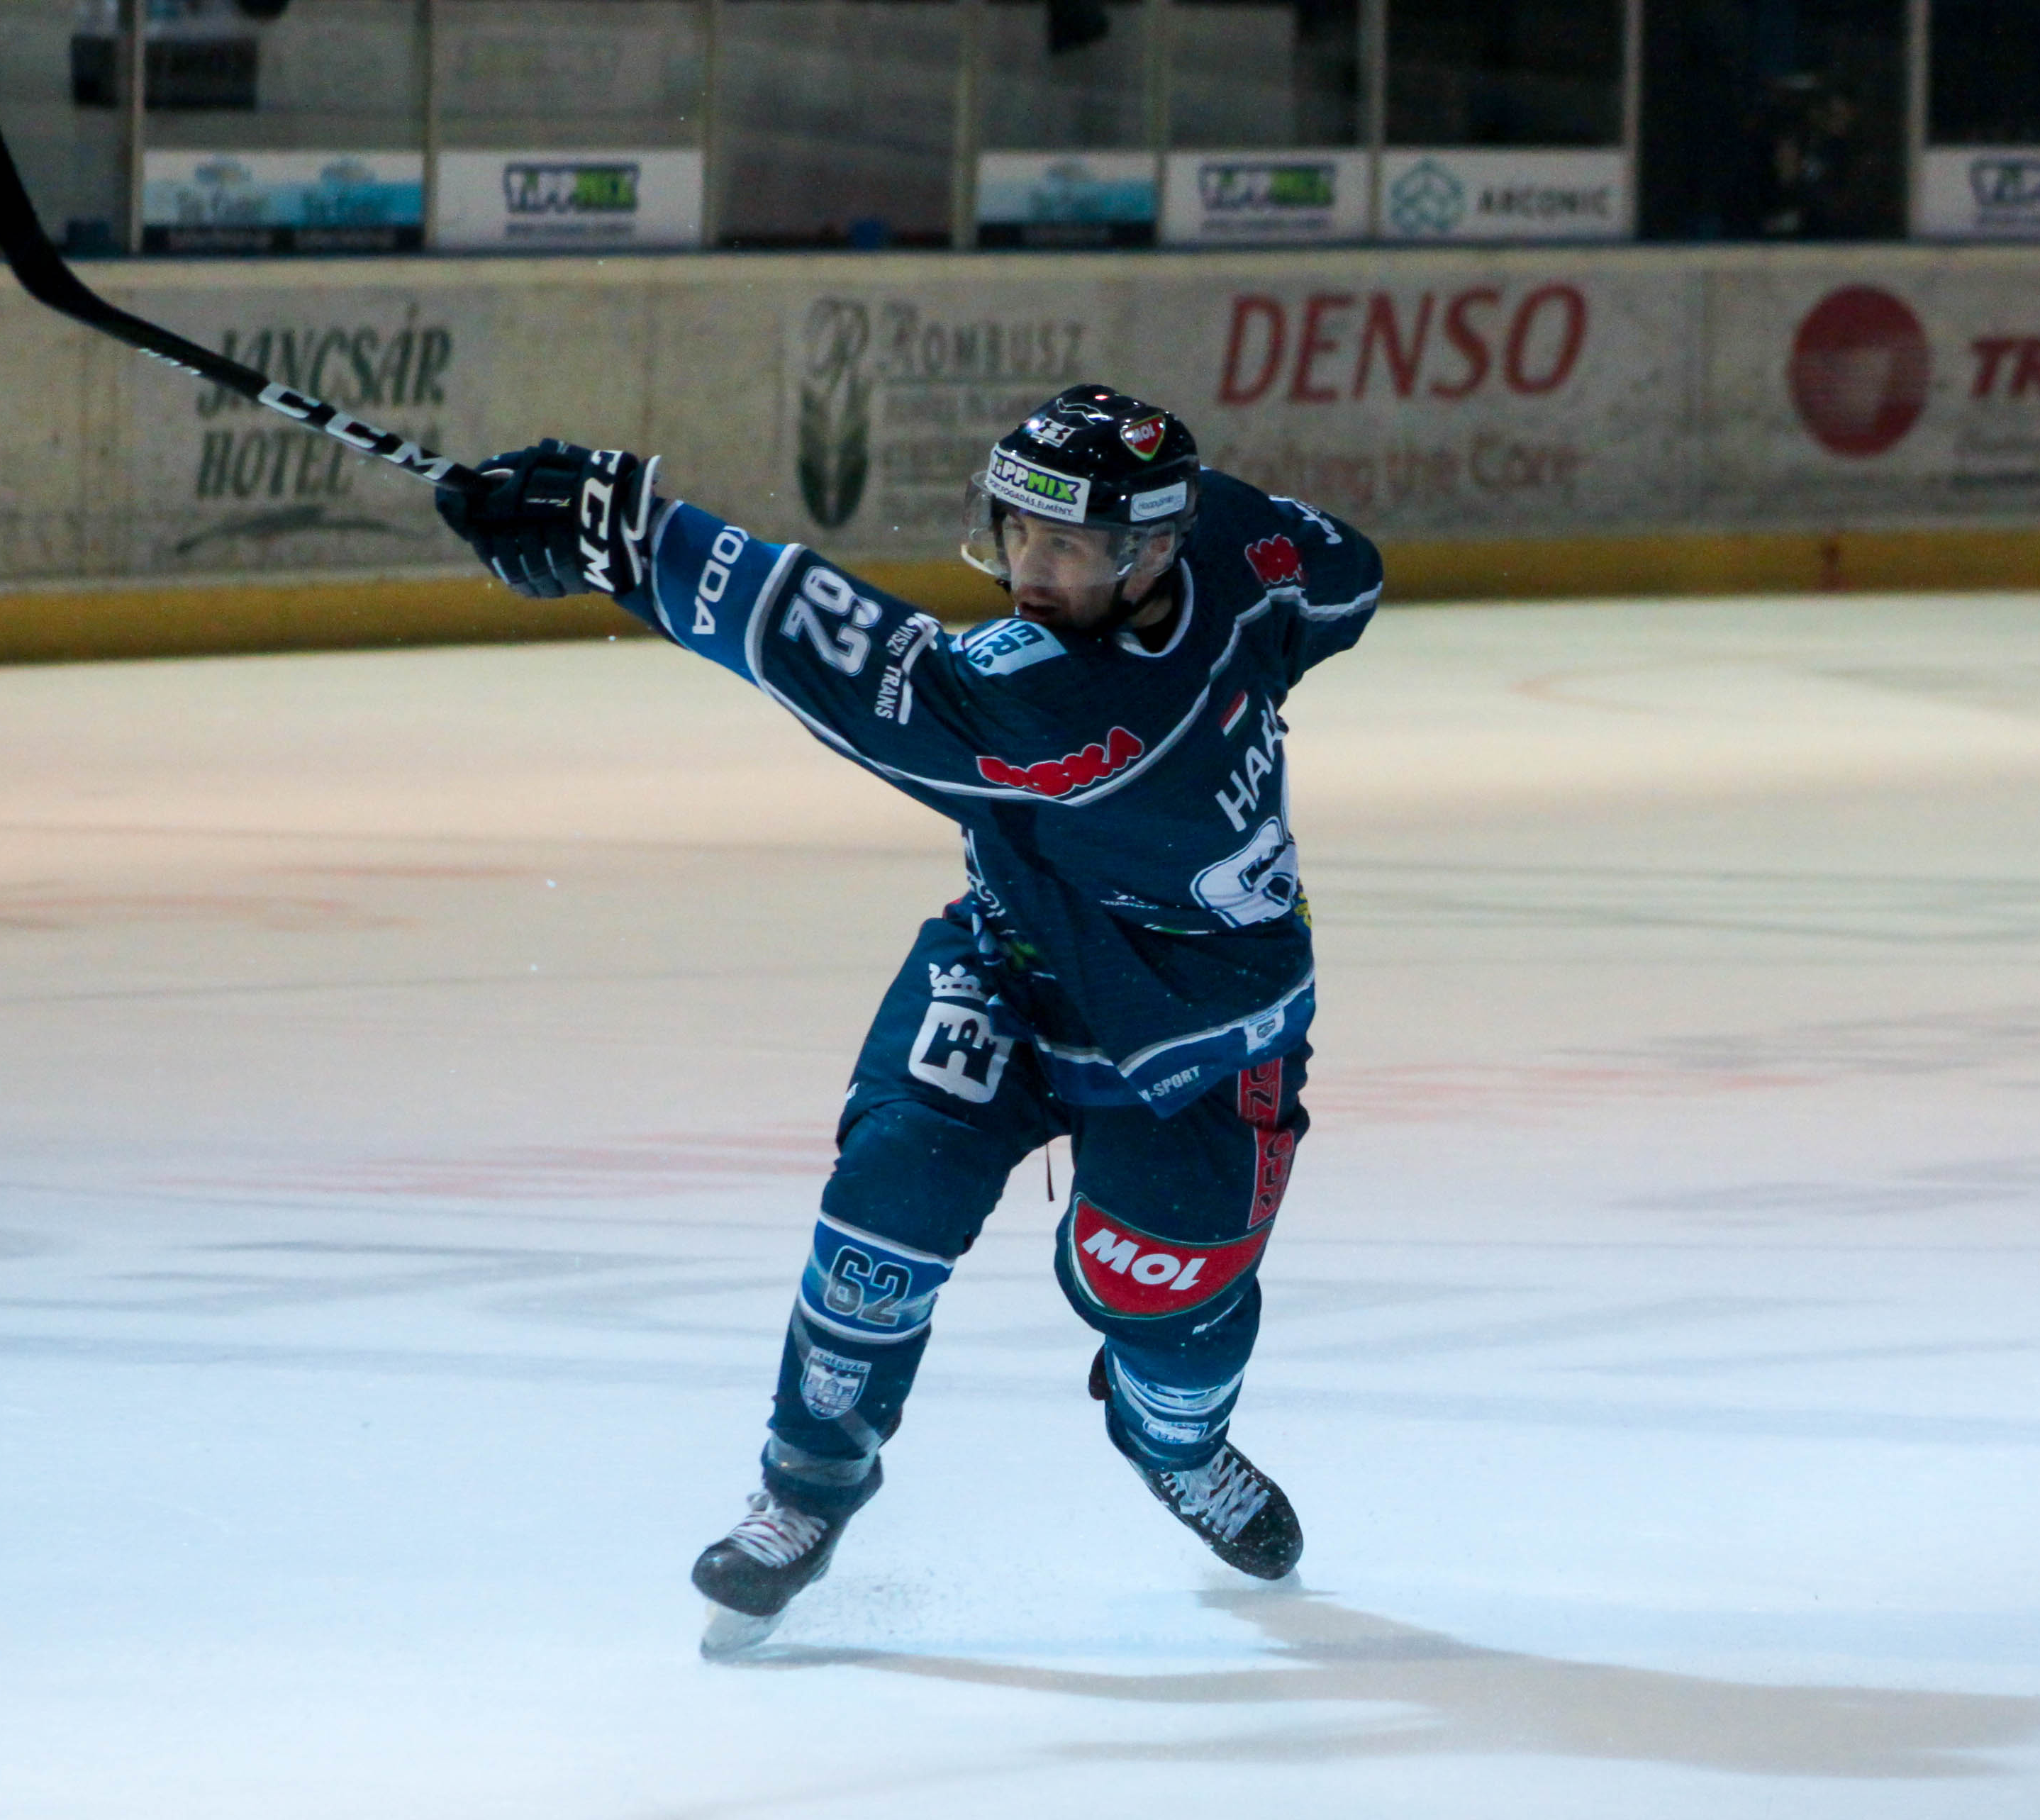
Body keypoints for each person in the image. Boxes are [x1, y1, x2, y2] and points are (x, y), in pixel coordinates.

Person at [435, 389, 1381, 1654]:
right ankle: (805, 1493)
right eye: (1017, 534)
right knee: (892, 1190)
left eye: (1066, 548)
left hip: (1200, 1032)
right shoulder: (1237, 545)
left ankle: (1175, 1442)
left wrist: (627, 534)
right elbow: (1342, 581)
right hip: (1015, 957)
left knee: (1157, 1290)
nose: (1030, 572)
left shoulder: (1054, 703)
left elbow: (843, 649)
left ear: (1152, 547)